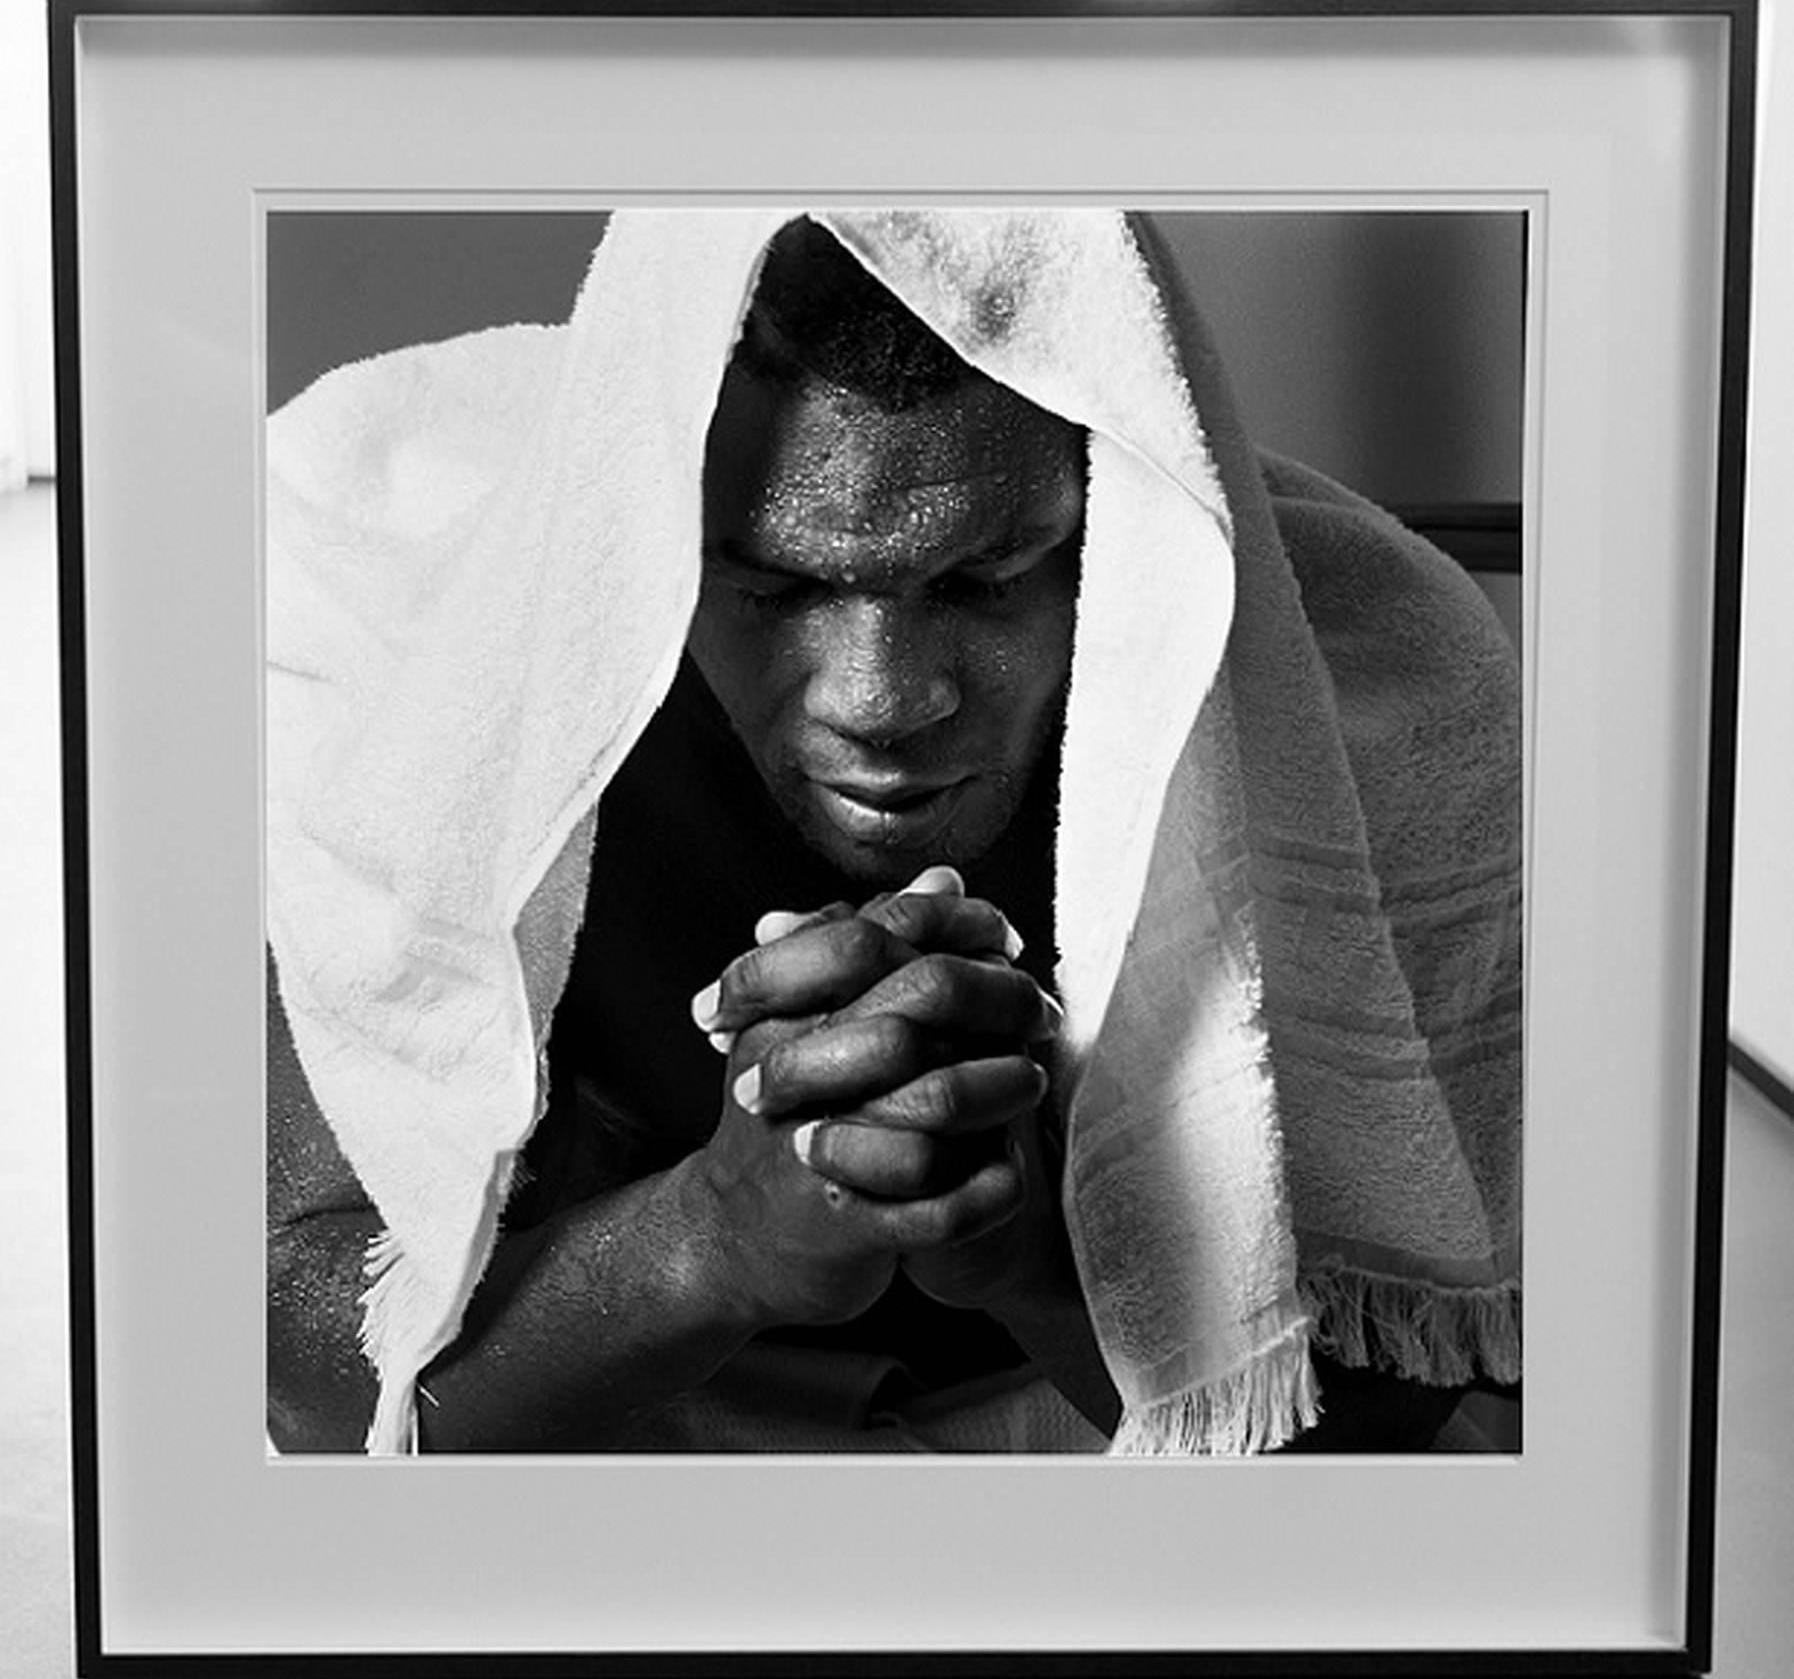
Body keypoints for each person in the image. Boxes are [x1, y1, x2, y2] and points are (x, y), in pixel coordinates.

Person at [266, 210, 1521, 1457]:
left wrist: (1033, 1260)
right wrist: (713, 1239)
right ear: (633, 529)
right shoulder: (397, 619)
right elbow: (296, 1370)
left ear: (1121, 515)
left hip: (1133, 1449)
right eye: (774, 584)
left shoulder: (1374, 681)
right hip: (610, 1430)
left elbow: (1390, 1421)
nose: (879, 700)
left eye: (984, 580)